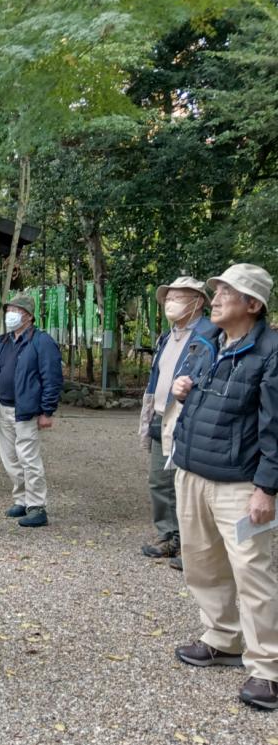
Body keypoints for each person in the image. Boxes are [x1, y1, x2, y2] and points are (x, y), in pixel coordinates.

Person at [169, 263, 278, 711]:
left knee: (253, 573)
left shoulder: (270, 352)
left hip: (240, 484)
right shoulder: (207, 342)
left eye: (226, 293)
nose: (214, 300)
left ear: (252, 305)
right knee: (202, 565)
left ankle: (268, 669)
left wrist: (266, 488)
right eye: (214, 293)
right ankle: (223, 637)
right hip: (193, 472)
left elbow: (275, 427)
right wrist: (182, 390)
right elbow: (201, 397)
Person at [137, 277, 215, 566]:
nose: (171, 302)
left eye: (179, 297)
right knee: (160, 479)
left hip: (188, 417)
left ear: (198, 301)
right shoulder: (167, 336)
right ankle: (169, 536)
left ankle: (195, 548)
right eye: (168, 297)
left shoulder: (211, 334)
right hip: (161, 414)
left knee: (190, 484)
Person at [0, 293, 63, 527]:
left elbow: (52, 377)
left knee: (28, 457)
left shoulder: (42, 342)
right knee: (10, 457)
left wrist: (47, 410)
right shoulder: (5, 341)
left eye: (15, 311)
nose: (10, 315)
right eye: (9, 310)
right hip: (3, 406)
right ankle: (21, 499)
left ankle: (37, 505)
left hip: (26, 409)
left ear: (28, 316)